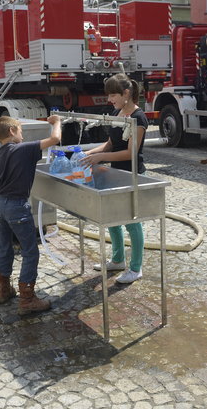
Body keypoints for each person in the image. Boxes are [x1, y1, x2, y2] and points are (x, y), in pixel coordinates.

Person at [0, 114, 62, 314]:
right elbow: (55, 140)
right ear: (12, 131)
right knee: (30, 251)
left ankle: (4, 290)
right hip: (17, 207)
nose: (22, 134)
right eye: (20, 131)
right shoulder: (23, 149)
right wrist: (56, 122)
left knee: (4, 249)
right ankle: (27, 299)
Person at [81, 74, 149, 284]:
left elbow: (130, 152)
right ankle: (118, 259)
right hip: (115, 173)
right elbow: (111, 144)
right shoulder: (117, 112)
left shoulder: (139, 118)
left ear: (126, 94)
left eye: (113, 95)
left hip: (132, 174)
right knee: (112, 218)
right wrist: (89, 153)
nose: (110, 99)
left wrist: (101, 158)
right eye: (109, 95)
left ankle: (136, 268)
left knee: (132, 220)